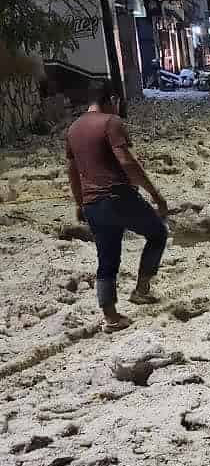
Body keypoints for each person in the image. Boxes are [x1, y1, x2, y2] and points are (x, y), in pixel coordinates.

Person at [66, 83, 169, 332]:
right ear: (111, 99)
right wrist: (156, 195)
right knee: (157, 233)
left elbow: (72, 170)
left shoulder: (73, 129)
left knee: (107, 259)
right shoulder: (111, 122)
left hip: (92, 203)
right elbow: (127, 161)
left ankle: (111, 317)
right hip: (119, 197)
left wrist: (79, 203)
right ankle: (142, 290)